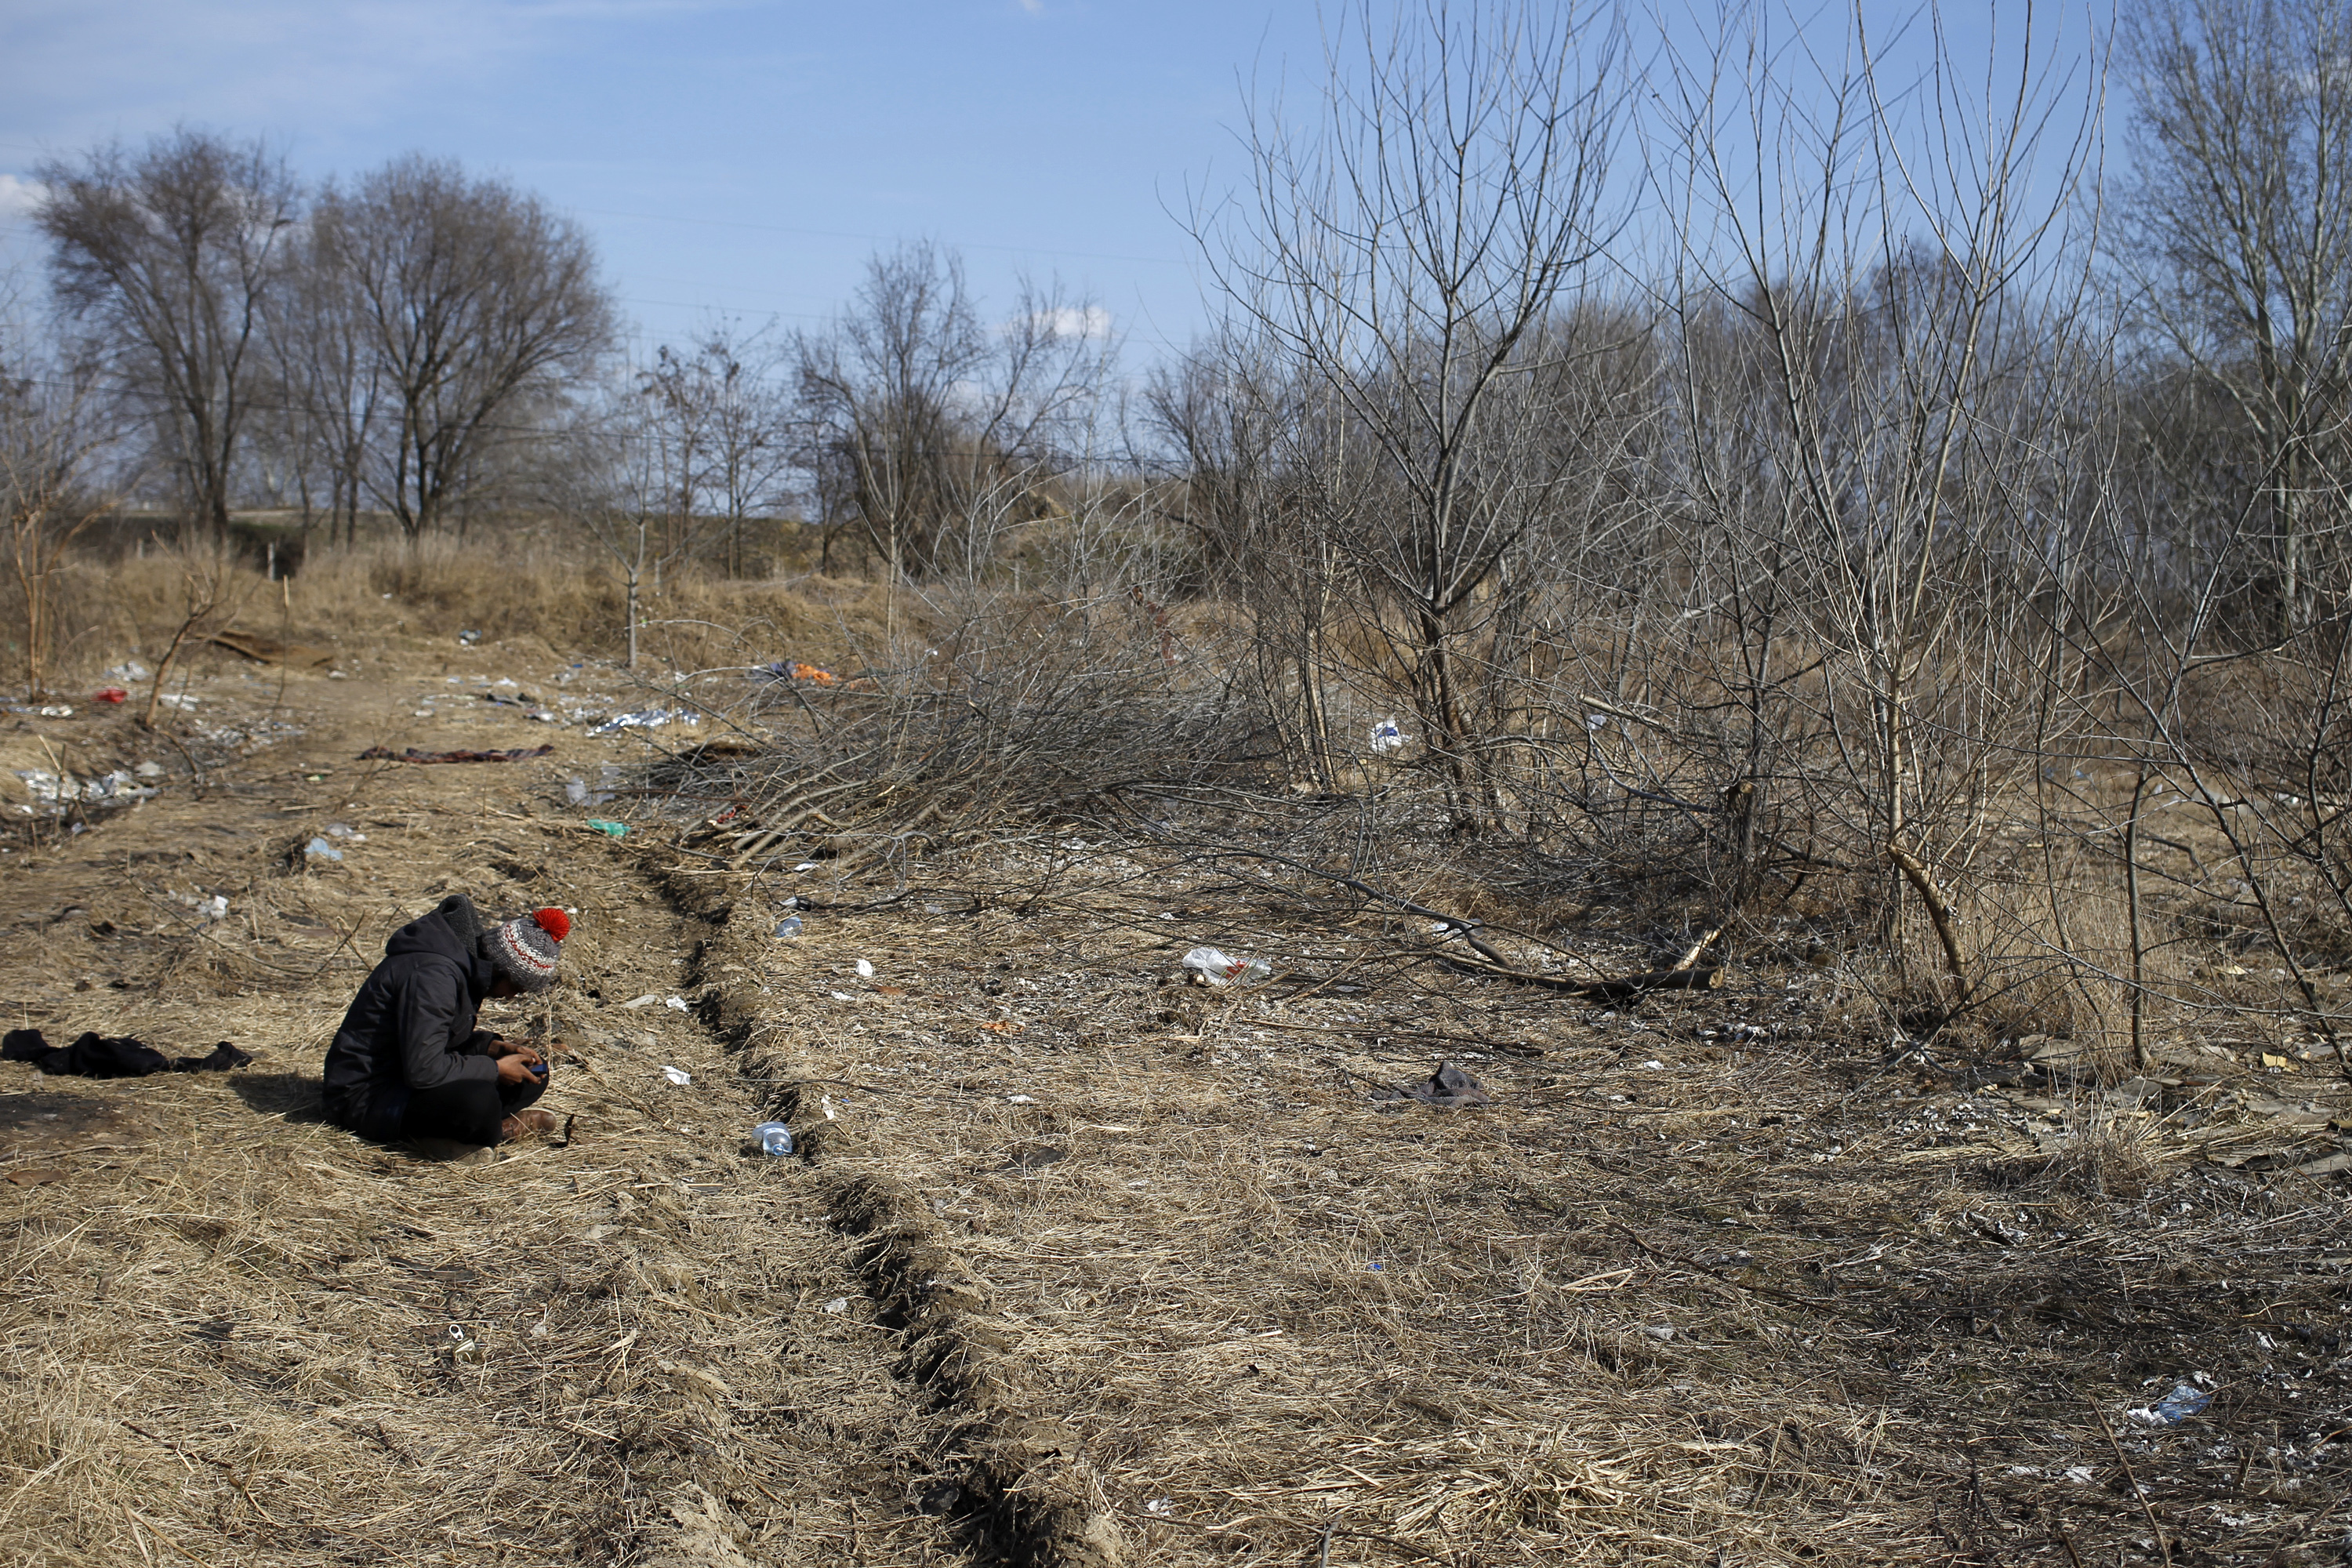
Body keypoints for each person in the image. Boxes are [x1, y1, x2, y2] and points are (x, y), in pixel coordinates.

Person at [322, 894, 570, 1148]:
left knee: (535, 1072)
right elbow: (423, 1070)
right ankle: (494, 1130)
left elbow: (438, 1039)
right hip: (366, 1095)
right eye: (515, 988)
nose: (510, 997)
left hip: (403, 1072)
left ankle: (476, 1127)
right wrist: (495, 1069)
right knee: (479, 1101)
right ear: (501, 970)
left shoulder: (463, 965)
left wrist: (492, 1048)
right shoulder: (433, 977)